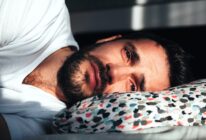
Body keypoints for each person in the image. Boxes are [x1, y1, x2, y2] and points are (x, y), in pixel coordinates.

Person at [0, 0, 192, 140]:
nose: (115, 72)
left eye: (133, 86)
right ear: (109, 39)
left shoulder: (54, 125)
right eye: (127, 54)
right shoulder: (43, 11)